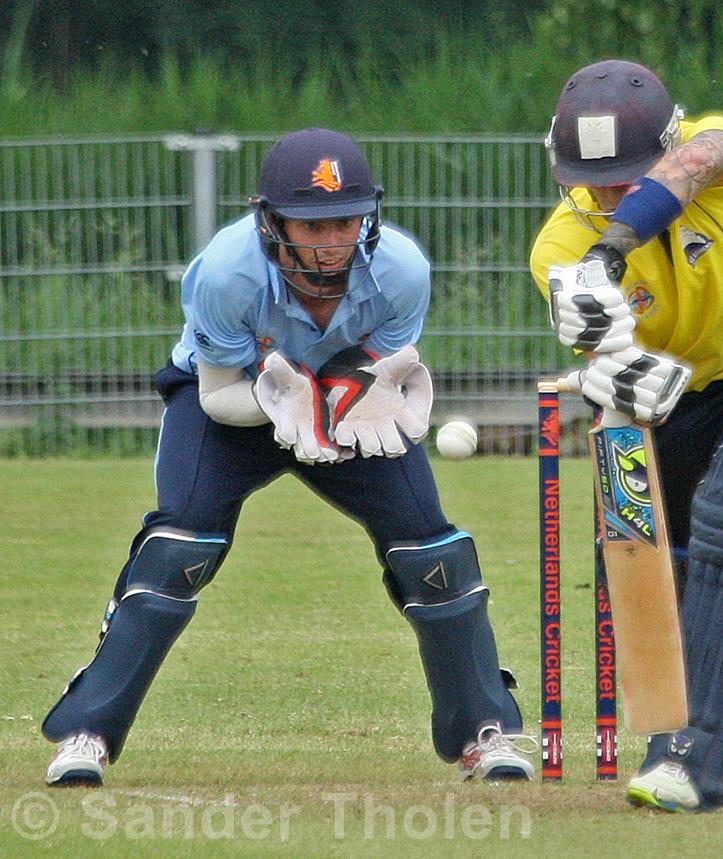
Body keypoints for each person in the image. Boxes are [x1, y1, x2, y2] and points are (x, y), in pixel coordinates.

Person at [42, 127, 535, 786]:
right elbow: (216, 394)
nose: (332, 242)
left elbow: (378, 363)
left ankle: (483, 729)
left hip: (342, 406)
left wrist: (358, 395)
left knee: (431, 550)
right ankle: (88, 731)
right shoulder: (227, 273)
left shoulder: (402, 270)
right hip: (236, 406)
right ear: (272, 221)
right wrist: (283, 403)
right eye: (312, 225)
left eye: (345, 221)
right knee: (179, 546)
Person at [531, 60, 723, 812]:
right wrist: (615, 369)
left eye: (627, 179)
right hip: (669, 398)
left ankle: (692, 756)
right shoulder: (557, 249)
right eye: (595, 184)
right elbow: (610, 357)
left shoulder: (718, 151)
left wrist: (613, 246)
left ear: (669, 142)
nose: (610, 196)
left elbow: (698, 163)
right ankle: (668, 738)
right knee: (646, 558)